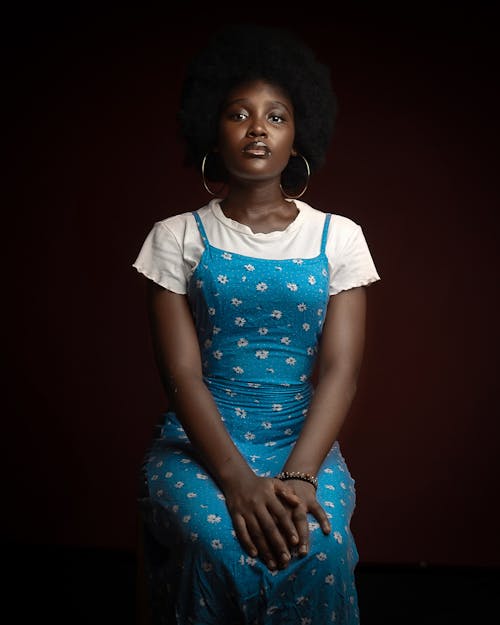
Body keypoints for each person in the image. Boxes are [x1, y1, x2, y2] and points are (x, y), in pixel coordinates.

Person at [133, 23, 380, 625]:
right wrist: (236, 481)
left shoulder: (339, 237)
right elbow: (182, 376)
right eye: (239, 114)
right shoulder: (176, 236)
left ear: (298, 137)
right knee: (218, 545)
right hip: (201, 445)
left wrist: (300, 474)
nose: (257, 129)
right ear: (212, 132)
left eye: (276, 116)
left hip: (304, 445)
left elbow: (342, 372)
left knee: (318, 547)